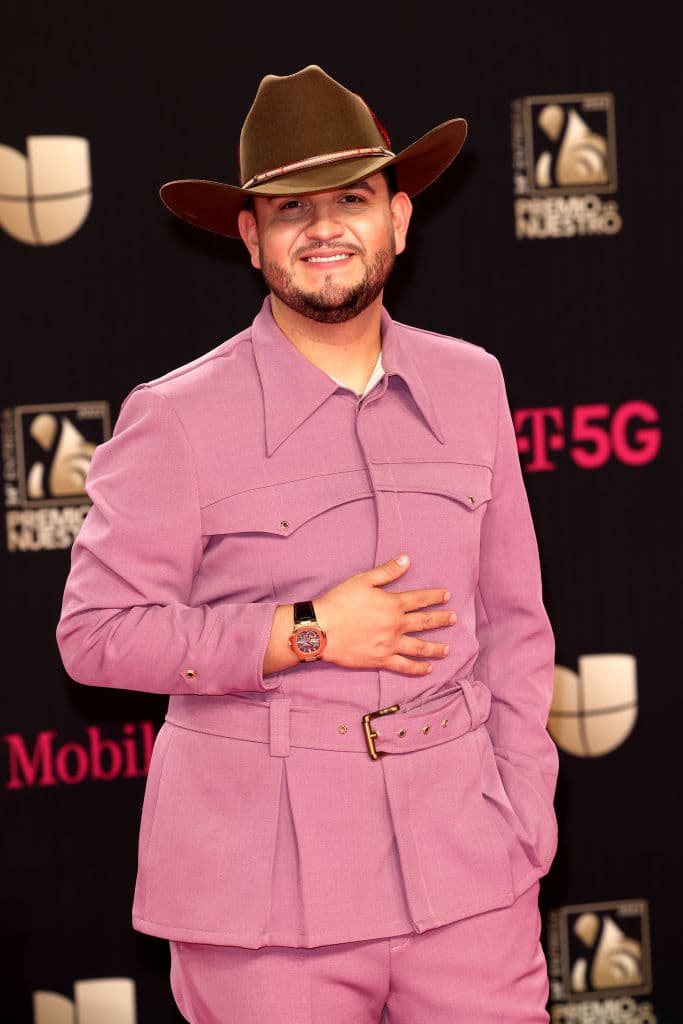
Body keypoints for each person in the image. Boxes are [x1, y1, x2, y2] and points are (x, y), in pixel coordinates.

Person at [57, 65, 559, 1023]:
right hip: (261, 906)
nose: (324, 227)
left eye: (352, 199)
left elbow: (516, 628)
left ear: (399, 220)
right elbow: (97, 636)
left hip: (471, 883)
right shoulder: (174, 418)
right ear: (251, 238)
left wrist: (523, 825)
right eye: (290, 208)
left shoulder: (471, 384)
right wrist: (305, 629)